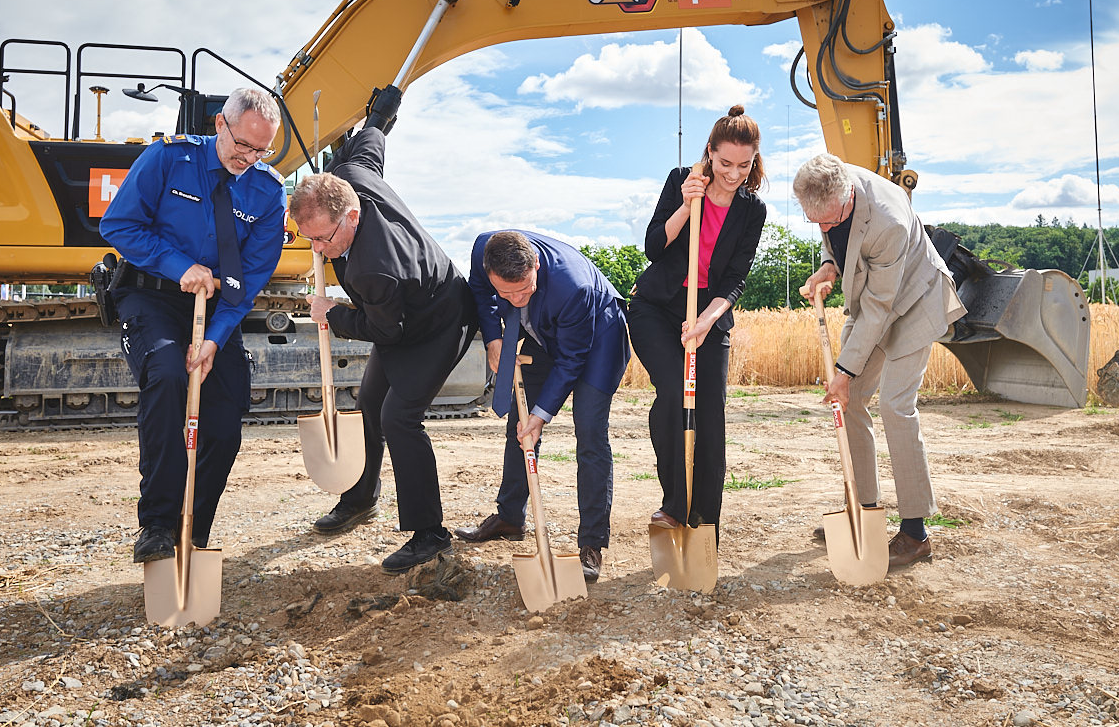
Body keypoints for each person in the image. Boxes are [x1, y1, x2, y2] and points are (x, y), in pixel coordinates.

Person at [100, 87, 286, 564]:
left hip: (217, 310)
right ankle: (159, 525)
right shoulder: (168, 159)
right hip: (151, 295)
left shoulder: (267, 193)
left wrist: (215, 338)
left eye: (261, 150)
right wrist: (179, 264)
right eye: (242, 145)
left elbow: (246, 280)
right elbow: (118, 226)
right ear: (220, 125)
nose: (249, 157)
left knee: (223, 424)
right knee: (166, 373)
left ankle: (193, 531)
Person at [289, 126, 476, 574]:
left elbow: (385, 331)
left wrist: (331, 313)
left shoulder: (376, 267)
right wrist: (375, 119)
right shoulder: (351, 176)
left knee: (399, 418)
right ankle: (358, 497)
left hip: (438, 322)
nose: (317, 249)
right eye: (309, 239)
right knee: (369, 403)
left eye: (323, 240)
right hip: (400, 313)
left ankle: (429, 533)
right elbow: (368, 147)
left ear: (351, 217)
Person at [795, 152, 965, 569]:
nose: (822, 227)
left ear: (848, 197)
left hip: (915, 301)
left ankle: (915, 532)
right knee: (847, 401)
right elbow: (838, 241)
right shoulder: (828, 184)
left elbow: (879, 307)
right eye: (813, 220)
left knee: (895, 405)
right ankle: (865, 512)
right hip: (873, 301)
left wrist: (844, 371)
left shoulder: (888, 218)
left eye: (828, 219)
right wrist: (829, 266)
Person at [455, 231, 630, 582]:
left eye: (524, 289)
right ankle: (509, 517)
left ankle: (592, 543)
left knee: (590, 433)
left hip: (597, 340)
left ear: (536, 264)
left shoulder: (574, 287)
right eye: (507, 293)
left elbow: (571, 361)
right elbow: (479, 293)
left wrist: (542, 415)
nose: (516, 300)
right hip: (541, 334)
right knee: (519, 426)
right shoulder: (482, 251)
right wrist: (493, 338)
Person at [627, 105, 767, 539]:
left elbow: (736, 279)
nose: (733, 173)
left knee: (710, 412)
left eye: (744, 165)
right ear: (710, 152)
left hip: (708, 314)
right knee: (673, 393)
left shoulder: (752, 210)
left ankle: (705, 521)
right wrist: (688, 206)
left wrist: (707, 321)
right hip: (656, 308)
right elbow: (653, 247)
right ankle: (673, 504)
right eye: (725, 163)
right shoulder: (680, 181)